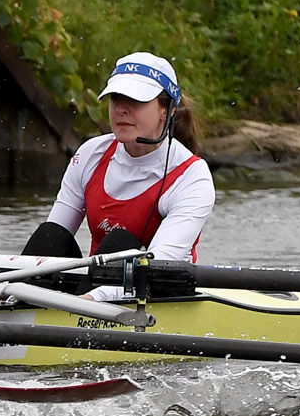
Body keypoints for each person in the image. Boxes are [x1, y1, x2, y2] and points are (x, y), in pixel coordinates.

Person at [21, 52, 211, 263]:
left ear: (167, 110)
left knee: (120, 245)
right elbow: (54, 237)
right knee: (50, 235)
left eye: (135, 100)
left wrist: (92, 297)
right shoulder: (90, 154)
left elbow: (160, 262)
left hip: (157, 284)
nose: (121, 110)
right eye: (116, 98)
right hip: (98, 283)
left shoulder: (192, 175)